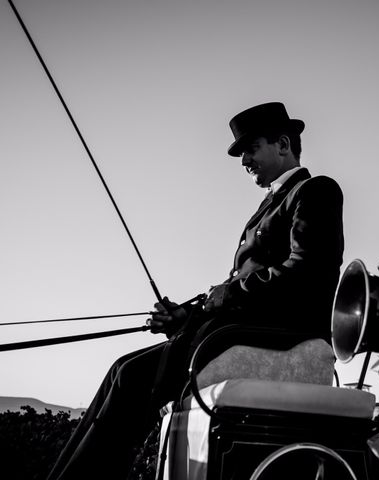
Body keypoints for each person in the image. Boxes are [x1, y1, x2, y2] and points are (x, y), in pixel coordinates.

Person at [47, 101, 345, 480]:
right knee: (120, 369)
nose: (244, 162)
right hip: (236, 332)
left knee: (131, 378)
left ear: (283, 144)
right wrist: (188, 316)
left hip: (278, 335)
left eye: (251, 149)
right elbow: (247, 290)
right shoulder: (273, 202)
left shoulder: (315, 191)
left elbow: (307, 273)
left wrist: (225, 295)